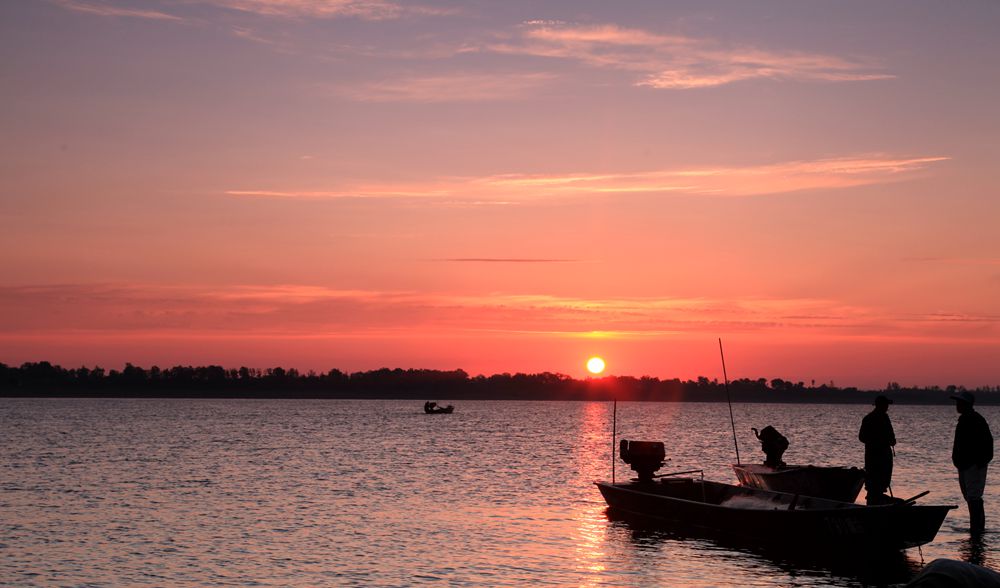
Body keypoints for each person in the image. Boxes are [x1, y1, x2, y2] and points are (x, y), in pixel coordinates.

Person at [951, 390, 993, 534]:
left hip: (973, 466)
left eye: (959, 402)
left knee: (974, 496)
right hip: (964, 465)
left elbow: (988, 444)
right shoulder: (965, 419)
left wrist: (979, 462)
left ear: (966, 404)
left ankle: (977, 528)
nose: (957, 405)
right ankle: (976, 528)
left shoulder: (976, 420)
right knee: (970, 496)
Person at [859, 395, 896, 504]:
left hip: (880, 456)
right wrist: (878, 441)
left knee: (880, 481)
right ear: (881, 405)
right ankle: (874, 503)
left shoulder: (883, 418)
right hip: (875, 456)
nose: (887, 407)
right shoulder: (871, 419)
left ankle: (876, 501)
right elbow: (862, 437)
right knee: (874, 482)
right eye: (886, 405)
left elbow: (892, 438)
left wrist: (890, 440)